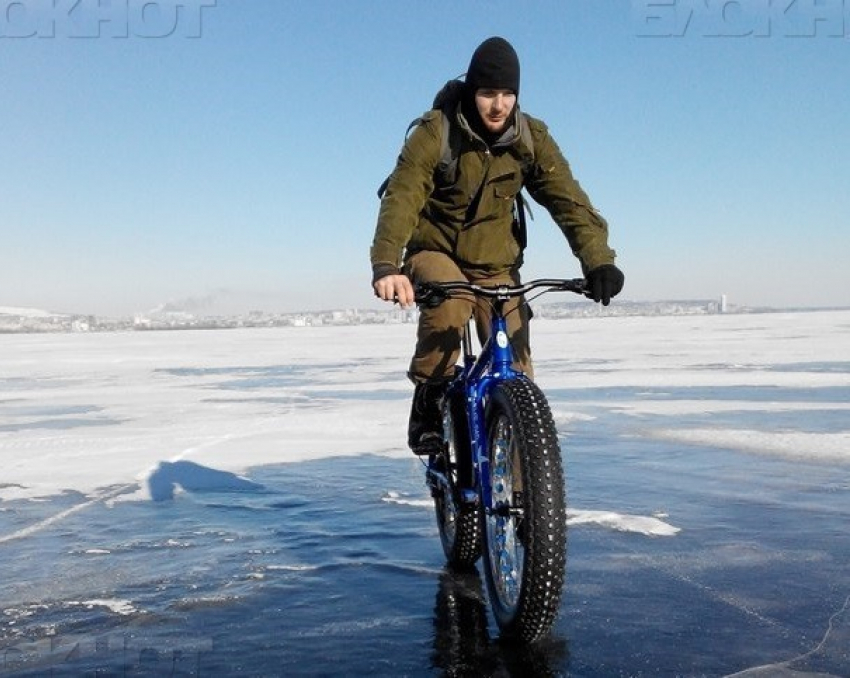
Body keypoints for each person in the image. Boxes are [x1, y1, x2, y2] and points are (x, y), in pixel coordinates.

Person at [370, 36, 624, 456]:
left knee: (517, 368)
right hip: (435, 252)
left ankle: (524, 483)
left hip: (495, 263)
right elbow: (402, 197)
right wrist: (386, 266)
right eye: (488, 93)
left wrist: (598, 261)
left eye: (508, 94)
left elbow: (569, 201)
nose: (498, 105)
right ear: (473, 91)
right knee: (453, 303)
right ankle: (430, 402)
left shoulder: (531, 139)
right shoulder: (436, 132)